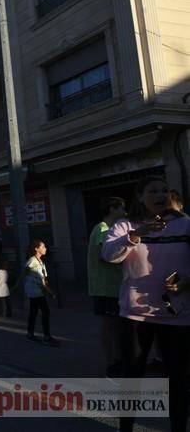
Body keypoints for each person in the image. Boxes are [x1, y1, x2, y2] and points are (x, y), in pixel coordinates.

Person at [102, 176, 190, 432]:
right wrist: (135, 235)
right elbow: (109, 255)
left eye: (164, 190)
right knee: (132, 377)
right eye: (153, 191)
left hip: (177, 315)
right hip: (135, 315)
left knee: (179, 379)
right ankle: (126, 427)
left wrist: (187, 281)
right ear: (140, 196)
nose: (160, 195)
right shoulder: (125, 225)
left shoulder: (185, 224)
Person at [86, 196, 126, 376]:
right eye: (121, 208)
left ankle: (118, 358)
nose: (125, 212)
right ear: (112, 209)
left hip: (114, 287)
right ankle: (112, 361)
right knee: (110, 325)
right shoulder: (103, 229)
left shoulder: (108, 229)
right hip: (106, 287)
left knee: (117, 325)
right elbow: (106, 255)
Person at [24, 239, 60, 346]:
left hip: (38, 290)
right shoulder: (32, 261)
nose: (45, 249)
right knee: (45, 311)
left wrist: (48, 289)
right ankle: (46, 337)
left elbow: (44, 280)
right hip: (34, 291)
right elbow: (24, 273)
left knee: (34, 311)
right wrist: (50, 292)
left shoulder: (41, 262)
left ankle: (30, 334)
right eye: (43, 247)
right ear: (36, 249)